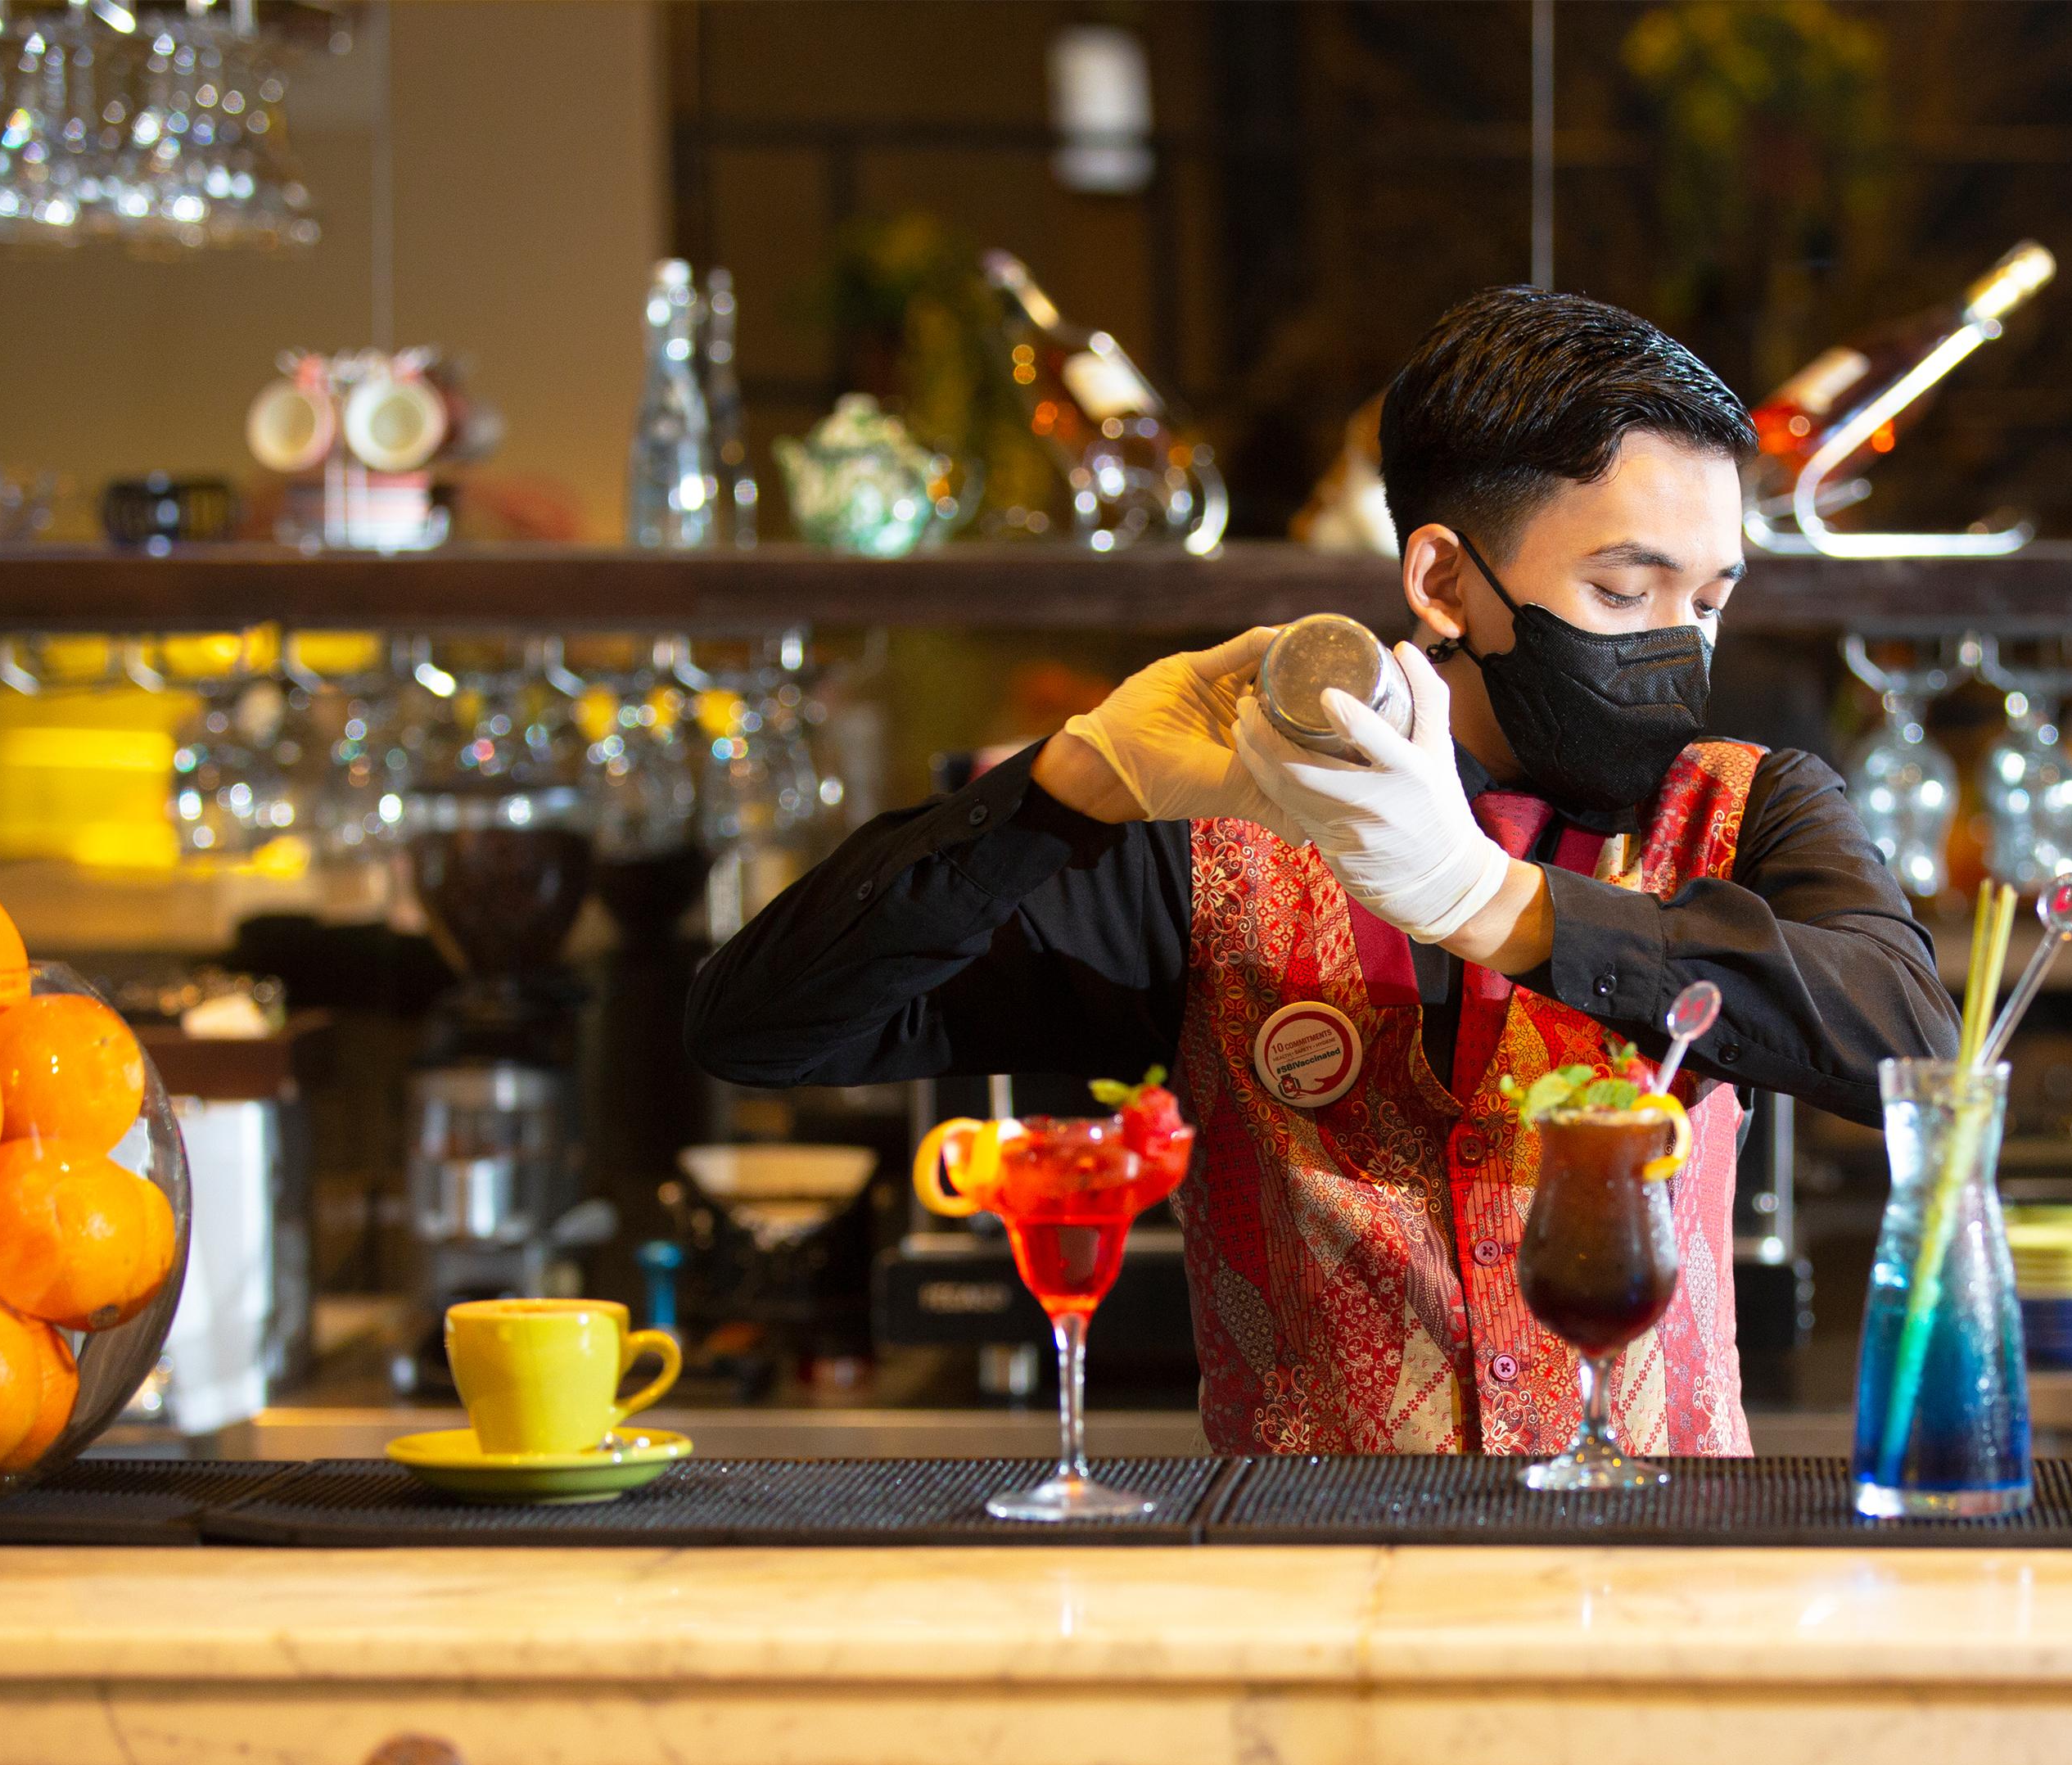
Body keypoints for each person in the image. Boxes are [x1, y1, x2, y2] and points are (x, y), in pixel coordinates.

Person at [687, 287, 1953, 1458]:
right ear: (1445, 582)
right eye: (1625, 591)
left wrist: (1491, 902)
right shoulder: (1220, 845)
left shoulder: (1744, 811)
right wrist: (1064, 788)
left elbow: (1915, 1051)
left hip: (1664, 1571)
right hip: (1308, 1580)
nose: (1679, 643)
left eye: (1710, 601)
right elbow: (761, 1026)